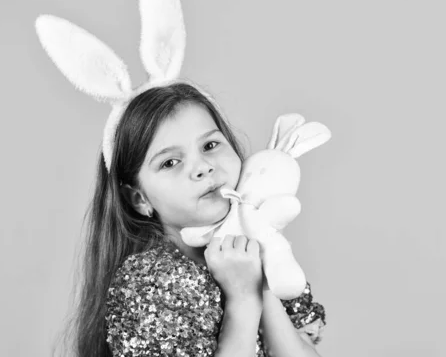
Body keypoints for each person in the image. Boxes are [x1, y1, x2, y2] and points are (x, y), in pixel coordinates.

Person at [66, 82, 326, 357]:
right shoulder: (150, 281)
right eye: (170, 162)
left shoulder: (269, 250)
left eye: (210, 145)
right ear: (140, 199)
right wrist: (242, 298)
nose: (203, 167)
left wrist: (261, 281)